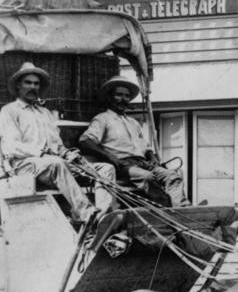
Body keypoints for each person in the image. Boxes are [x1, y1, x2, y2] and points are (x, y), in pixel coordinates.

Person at [0, 62, 115, 223]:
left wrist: (68, 153)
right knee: (57, 163)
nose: (33, 87)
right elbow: (12, 145)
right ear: (18, 85)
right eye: (28, 83)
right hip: (24, 165)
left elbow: (56, 145)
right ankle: (86, 213)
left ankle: (104, 217)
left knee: (105, 169)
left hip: (52, 165)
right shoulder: (9, 111)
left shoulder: (44, 113)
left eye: (36, 84)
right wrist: (42, 152)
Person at [79, 76, 189, 207]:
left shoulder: (134, 123)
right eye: (118, 95)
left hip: (144, 163)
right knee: (148, 178)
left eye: (126, 96)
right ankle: (168, 210)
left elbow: (146, 147)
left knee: (172, 176)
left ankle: (183, 211)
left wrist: (152, 157)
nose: (123, 99)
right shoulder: (102, 119)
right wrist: (110, 157)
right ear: (110, 97)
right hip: (123, 166)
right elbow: (85, 141)